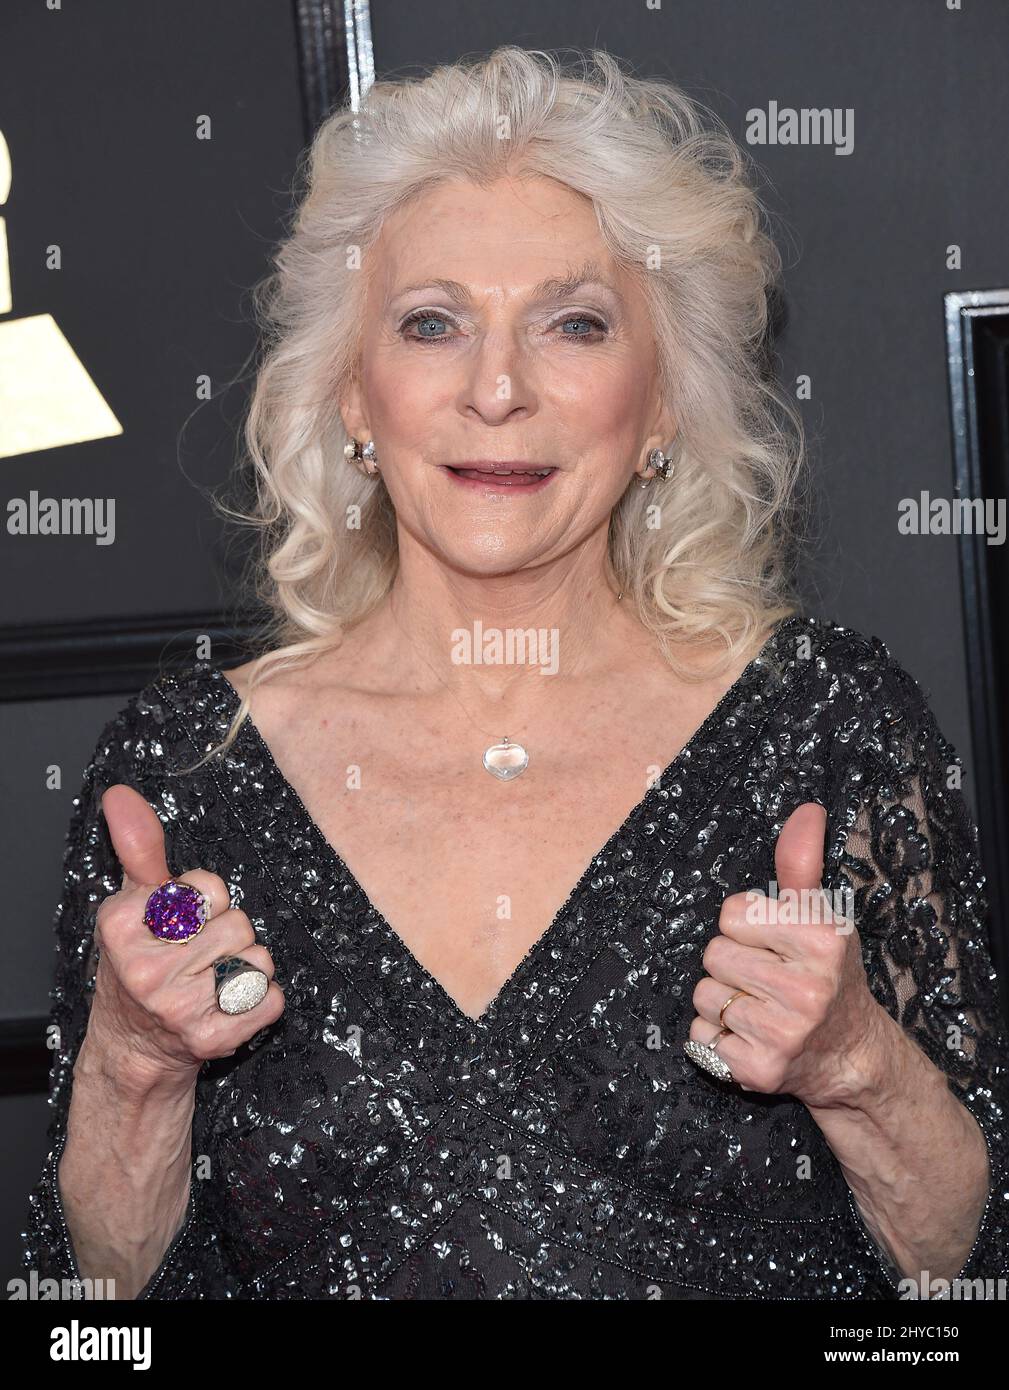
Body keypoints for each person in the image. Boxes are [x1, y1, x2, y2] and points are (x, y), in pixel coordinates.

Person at [22, 45, 1008, 1300]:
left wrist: (855, 1062)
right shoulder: (179, 777)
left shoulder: (828, 724)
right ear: (351, 397)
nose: (497, 389)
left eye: (575, 323)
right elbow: (84, 1312)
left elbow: (968, 1273)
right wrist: (134, 1068)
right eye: (431, 323)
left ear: (662, 405)